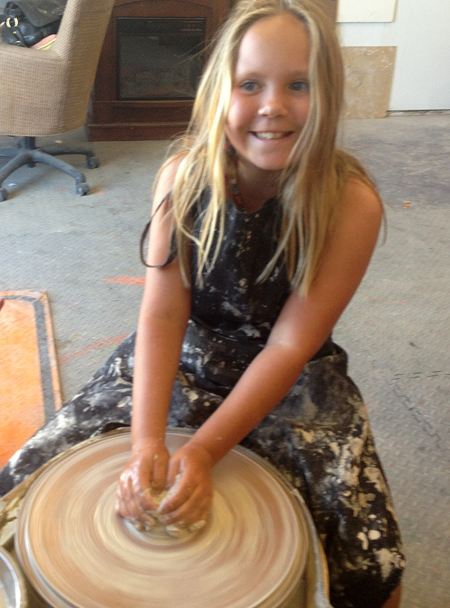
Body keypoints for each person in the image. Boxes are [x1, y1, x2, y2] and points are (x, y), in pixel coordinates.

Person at [0, 1, 404, 606]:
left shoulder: (350, 203)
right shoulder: (185, 176)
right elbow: (163, 313)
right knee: (22, 480)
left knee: (370, 571)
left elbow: (289, 345)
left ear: (331, 94)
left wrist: (205, 449)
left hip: (292, 379)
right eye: (250, 84)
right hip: (186, 353)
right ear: (219, 92)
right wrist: (147, 443)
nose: (272, 106)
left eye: (299, 85)